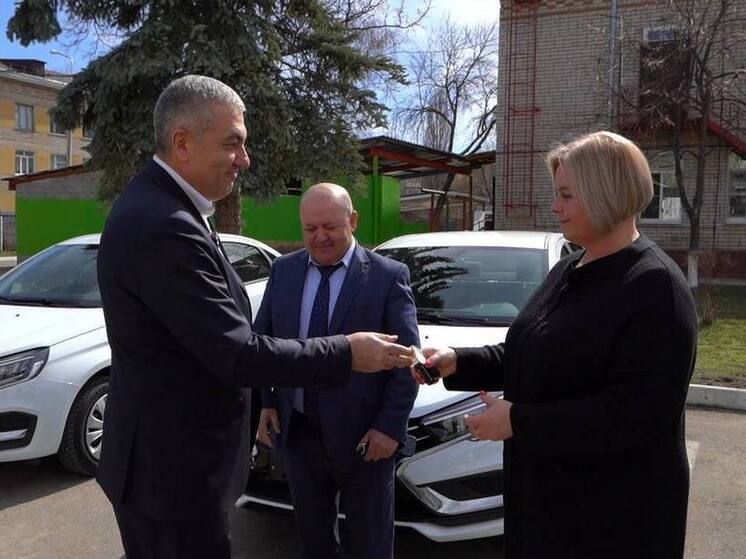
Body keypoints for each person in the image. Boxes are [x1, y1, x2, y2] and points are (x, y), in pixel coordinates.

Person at [96, 75, 412, 559]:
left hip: (178, 469)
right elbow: (240, 351)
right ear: (182, 142)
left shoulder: (171, 210)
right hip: (172, 477)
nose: (244, 159)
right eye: (233, 143)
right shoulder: (163, 224)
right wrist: (347, 351)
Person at [415, 131, 698, 558]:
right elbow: (533, 350)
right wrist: (457, 362)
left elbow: (636, 414)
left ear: (605, 195)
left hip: (612, 525)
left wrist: (518, 422)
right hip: (546, 510)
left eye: (566, 195)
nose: (555, 206)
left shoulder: (655, 287)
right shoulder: (570, 267)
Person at [254, 183, 419, 559]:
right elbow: (264, 345)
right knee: (313, 543)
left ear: (353, 221)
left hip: (365, 440)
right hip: (299, 435)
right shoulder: (284, 271)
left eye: (329, 226)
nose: (320, 237)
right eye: (310, 229)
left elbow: (407, 360)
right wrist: (267, 402)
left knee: (369, 545)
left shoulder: (387, 276)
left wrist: (389, 427)